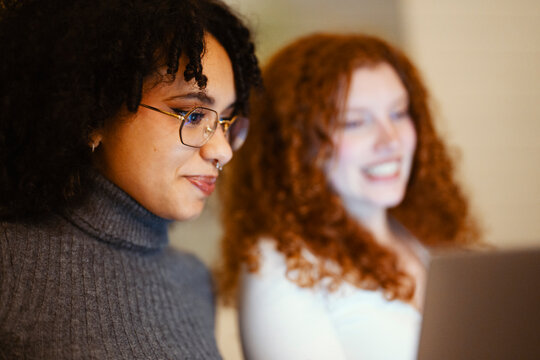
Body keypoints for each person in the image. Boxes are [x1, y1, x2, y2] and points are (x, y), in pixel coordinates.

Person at [0, 0, 260, 358]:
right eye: (191, 113)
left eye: (227, 122)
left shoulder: (194, 280)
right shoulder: (11, 263)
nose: (223, 150)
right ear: (94, 112)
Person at [217, 33, 480, 360]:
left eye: (399, 113)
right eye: (355, 122)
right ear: (297, 145)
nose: (391, 140)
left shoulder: (421, 237)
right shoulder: (279, 265)